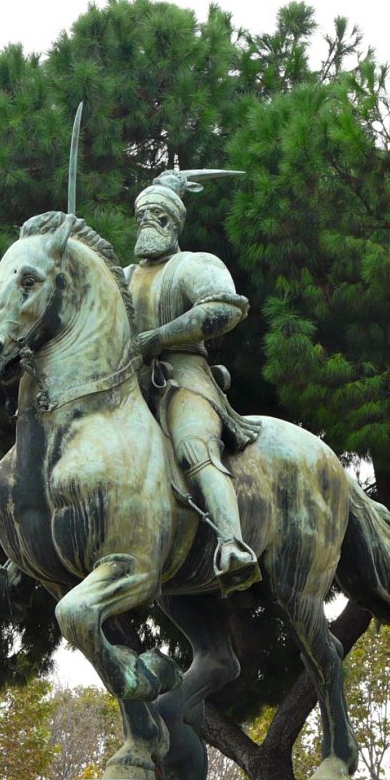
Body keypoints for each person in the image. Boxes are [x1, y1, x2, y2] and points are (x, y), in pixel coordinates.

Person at [127, 170, 262, 596]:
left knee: (192, 444)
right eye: (142, 214)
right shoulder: (124, 274)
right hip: (127, 384)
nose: (147, 221)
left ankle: (231, 544)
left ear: (173, 223)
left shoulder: (194, 265)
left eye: (157, 215)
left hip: (184, 377)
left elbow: (223, 309)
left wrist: (158, 338)